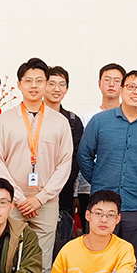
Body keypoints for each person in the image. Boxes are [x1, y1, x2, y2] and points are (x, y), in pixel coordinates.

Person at [0, 58, 73, 273]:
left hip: (46, 202)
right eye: (29, 81)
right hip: (11, 202)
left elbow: (65, 164)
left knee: (43, 266)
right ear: (19, 84)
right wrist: (17, 196)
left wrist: (40, 197)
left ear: (47, 84)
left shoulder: (59, 122)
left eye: (40, 80)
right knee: (8, 262)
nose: (35, 86)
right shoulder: (5, 119)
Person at [80, 69, 137, 260]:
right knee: (97, 258)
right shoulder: (100, 121)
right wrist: (99, 180)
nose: (136, 92)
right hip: (102, 205)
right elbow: (84, 156)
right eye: (132, 87)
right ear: (121, 89)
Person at [46, 190, 136, 273]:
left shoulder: (124, 249)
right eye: (98, 213)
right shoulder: (69, 249)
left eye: (110, 215)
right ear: (88, 215)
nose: (104, 220)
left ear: (118, 219)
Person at [75, 63, 125, 215]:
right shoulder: (88, 119)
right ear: (99, 84)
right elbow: (82, 156)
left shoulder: (130, 118)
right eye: (107, 80)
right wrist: (96, 180)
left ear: (123, 86)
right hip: (89, 189)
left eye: (117, 81)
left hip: (123, 189)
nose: (111, 84)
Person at [46, 65, 86, 238]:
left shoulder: (73, 121)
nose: (57, 89)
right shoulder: (31, 117)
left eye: (62, 84)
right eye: (52, 83)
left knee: (60, 239)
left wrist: (58, 184)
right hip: (31, 192)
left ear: (67, 89)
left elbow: (76, 160)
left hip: (63, 192)